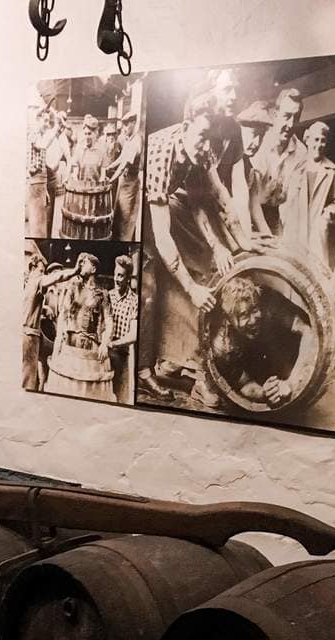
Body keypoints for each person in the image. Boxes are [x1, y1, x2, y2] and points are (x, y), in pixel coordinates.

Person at [140, 96, 259, 407]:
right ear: (185, 125)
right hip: (137, 202)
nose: (206, 146)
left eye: (212, 140)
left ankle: (178, 359)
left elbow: (209, 200)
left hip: (165, 200)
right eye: (202, 136)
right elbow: (163, 234)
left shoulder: (202, 150)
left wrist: (238, 242)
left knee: (203, 265)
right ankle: (144, 369)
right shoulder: (161, 153)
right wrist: (191, 288)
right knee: (149, 286)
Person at [209, 276, 317, 409]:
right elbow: (244, 384)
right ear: (229, 319)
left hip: (281, 352)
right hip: (255, 368)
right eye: (244, 315)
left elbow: (307, 331)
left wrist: (292, 382)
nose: (253, 320)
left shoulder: (268, 301)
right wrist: (265, 393)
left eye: (254, 310)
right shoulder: (223, 345)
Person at [46, 252, 115, 401]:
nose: (80, 264)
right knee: (66, 387)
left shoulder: (102, 293)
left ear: (94, 269)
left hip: (91, 345)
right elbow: (63, 314)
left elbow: (109, 320)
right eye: (80, 262)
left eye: (85, 262)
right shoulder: (73, 287)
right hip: (70, 342)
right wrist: (59, 338)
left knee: (87, 387)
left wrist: (105, 342)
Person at [280, 121, 335, 268]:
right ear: (307, 140)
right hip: (295, 225)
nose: (319, 145)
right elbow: (283, 195)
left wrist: (326, 217)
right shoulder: (295, 165)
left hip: (316, 229)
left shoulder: (332, 170)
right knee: (291, 269)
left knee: (315, 272)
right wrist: (285, 216)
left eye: (323, 141)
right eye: (316, 139)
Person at [22, 249, 77, 391]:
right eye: (41, 270)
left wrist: (44, 308)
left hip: (29, 334)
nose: (43, 274)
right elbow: (58, 277)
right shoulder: (36, 281)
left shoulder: (27, 284)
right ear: (32, 268)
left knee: (31, 376)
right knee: (29, 380)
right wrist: (76, 270)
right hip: (31, 335)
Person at [254, 87, 306, 234]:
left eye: (296, 118)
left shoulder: (301, 152)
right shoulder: (259, 142)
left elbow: (293, 200)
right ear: (275, 115)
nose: (290, 124)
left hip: (276, 215)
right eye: (287, 116)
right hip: (250, 210)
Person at [228, 101, 276, 237]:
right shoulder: (226, 160)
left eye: (261, 137)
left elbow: (255, 207)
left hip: (240, 229)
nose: (257, 142)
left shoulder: (249, 168)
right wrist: (247, 235)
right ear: (240, 129)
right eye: (254, 134)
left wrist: (269, 237)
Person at [105, 109, 143, 242]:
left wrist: (111, 179)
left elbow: (124, 165)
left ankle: (125, 241)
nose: (125, 128)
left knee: (127, 216)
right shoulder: (129, 140)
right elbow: (121, 158)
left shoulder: (136, 141)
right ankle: (118, 239)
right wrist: (109, 167)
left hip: (130, 184)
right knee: (119, 213)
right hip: (123, 182)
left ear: (133, 123)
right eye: (124, 125)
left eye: (127, 125)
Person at [106, 254, 139, 403]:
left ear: (128, 278)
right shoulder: (107, 296)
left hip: (122, 355)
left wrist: (114, 344)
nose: (117, 279)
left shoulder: (134, 300)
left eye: (121, 276)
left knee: (121, 399)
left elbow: (133, 335)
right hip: (105, 355)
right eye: (115, 274)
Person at [26, 108, 61, 236]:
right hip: (35, 184)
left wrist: (45, 189)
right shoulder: (34, 134)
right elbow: (43, 145)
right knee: (37, 227)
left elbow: (42, 165)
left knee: (41, 225)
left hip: (41, 184)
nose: (47, 124)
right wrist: (56, 126)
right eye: (45, 121)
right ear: (38, 119)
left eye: (48, 121)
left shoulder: (39, 134)